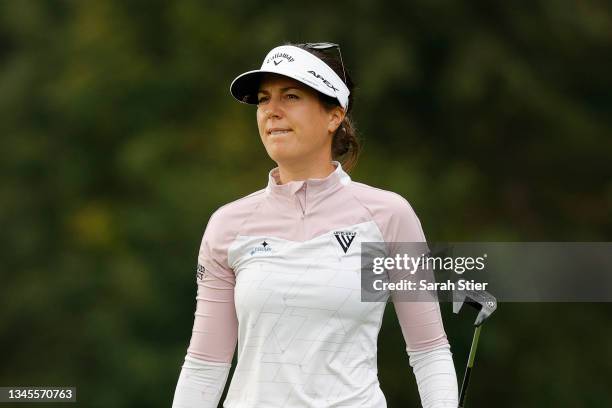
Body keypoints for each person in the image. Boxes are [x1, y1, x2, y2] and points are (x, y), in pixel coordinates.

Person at [172, 42, 458, 408]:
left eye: (290, 96)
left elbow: (429, 350)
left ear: (333, 116)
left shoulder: (387, 217)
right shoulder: (228, 226)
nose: (271, 111)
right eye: (263, 99)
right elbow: (205, 365)